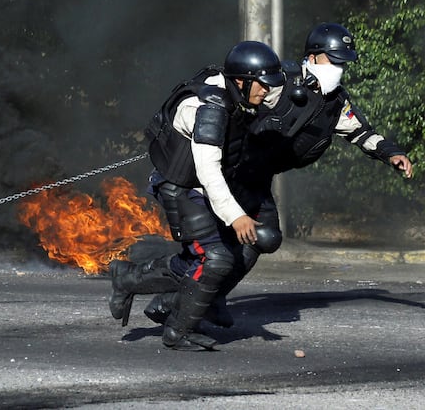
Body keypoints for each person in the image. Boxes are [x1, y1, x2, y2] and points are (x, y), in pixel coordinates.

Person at [132, 22, 414, 331]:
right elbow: (228, 89)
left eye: (343, 63)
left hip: (257, 178)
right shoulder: (280, 82)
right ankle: (161, 298)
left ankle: (210, 298)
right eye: (335, 60)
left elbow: (361, 132)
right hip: (227, 172)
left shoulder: (336, 104)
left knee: (265, 238)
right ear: (315, 57)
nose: (339, 68)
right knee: (213, 254)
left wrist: (391, 153)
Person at [109, 40, 285, 350]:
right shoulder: (209, 110)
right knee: (215, 258)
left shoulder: (240, 94)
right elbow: (208, 170)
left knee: (200, 259)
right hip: (181, 186)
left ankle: (127, 278)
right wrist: (237, 216)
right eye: (262, 84)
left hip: (201, 188)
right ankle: (177, 332)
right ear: (242, 81)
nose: (266, 92)